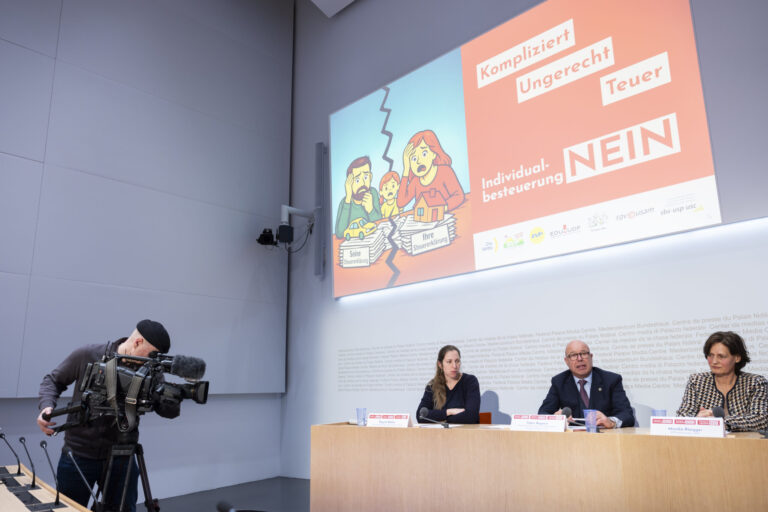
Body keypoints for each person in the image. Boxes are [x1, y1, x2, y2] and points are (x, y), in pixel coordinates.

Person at [37, 319, 179, 512]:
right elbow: (52, 381)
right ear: (137, 342)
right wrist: (46, 407)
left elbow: (167, 411)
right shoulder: (88, 354)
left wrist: (172, 398)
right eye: (151, 355)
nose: (151, 362)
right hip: (79, 454)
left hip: (123, 456)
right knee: (68, 509)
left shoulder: (151, 370)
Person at [676, 331, 768, 431]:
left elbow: (761, 419)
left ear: (737, 358)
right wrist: (697, 420)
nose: (714, 361)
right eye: (710, 355)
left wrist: (721, 423)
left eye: (721, 356)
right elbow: (682, 416)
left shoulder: (755, 383)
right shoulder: (697, 381)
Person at [538, 340, 635, 428]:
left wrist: (611, 422)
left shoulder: (611, 380)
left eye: (584, 353)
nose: (579, 359)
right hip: (572, 439)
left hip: (604, 437)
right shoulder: (559, 382)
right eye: (573, 355)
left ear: (591, 357)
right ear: (566, 361)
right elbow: (543, 413)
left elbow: (627, 415)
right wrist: (554, 419)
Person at [397, 130, 465, 212]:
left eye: (424, 154)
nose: (418, 161)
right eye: (414, 158)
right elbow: (400, 203)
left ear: (433, 153)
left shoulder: (445, 171)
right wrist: (406, 169)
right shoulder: (416, 181)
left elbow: (458, 195)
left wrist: (440, 209)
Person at [417, 345, 480, 424]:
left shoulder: (470, 381)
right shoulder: (432, 385)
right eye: (449, 362)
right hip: (440, 432)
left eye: (457, 361)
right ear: (440, 364)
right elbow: (420, 415)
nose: (454, 366)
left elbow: (471, 416)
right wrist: (448, 412)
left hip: (465, 431)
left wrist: (441, 419)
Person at [334, 156, 382, 238]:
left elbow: (380, 225)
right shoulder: (344, 203)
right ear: (349, 184)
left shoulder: (372, 193)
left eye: (366, 177)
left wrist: (371, 210)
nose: (362, 183)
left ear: (370, 177)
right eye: (357, 180)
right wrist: (348, 199)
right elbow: (340, 233)